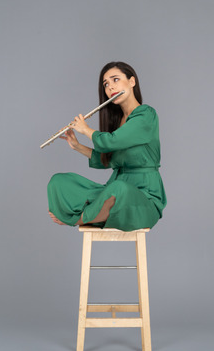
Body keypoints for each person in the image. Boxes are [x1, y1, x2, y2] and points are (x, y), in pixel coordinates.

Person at [47, 61, 167, 231]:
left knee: (118, 190)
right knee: (58, 181)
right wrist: (76, 145)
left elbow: (111, 141)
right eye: (106, 84)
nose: (110, 87)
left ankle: (78, 218)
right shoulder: (117, 122)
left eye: (115, 80)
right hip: (115, 188)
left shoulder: (146, 114)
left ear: (132, 82)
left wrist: (86, 130)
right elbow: (108, 160)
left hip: (144, 199)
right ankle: (100, 215)